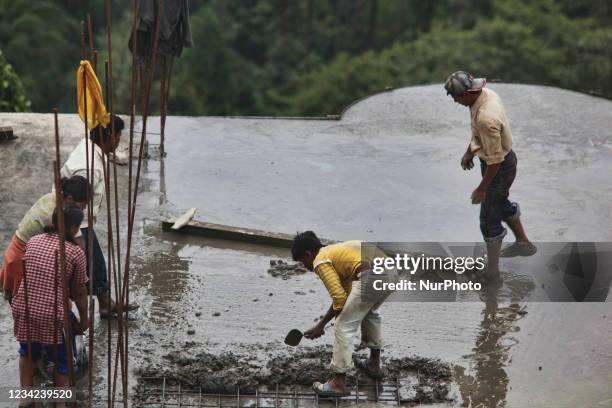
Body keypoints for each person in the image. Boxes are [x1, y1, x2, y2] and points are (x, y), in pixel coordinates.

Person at [444, 71, 536, 282]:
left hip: (499, 168)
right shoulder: (485, 94)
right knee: (499, 202)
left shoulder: (487, 118)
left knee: (488, 219)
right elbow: (479, 133)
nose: (456, 101)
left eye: (457, 97)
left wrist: (482, 188)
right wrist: (470, 151)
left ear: (469, 92)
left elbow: (496, 161)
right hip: (501, 161)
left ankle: (492, 274)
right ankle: (523, 243)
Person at [292, 231, 391, 397]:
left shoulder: (320, 260)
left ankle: (338, 384)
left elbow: (339, 299)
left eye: (304, 262)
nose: (307, 268)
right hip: (390, 273)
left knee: (343, 327)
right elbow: (344, 298)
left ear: (308, 254)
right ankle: (374, 364)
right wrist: (321, 325)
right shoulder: (336, 254)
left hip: (371, 275)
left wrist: (331, 323)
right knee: (370, 314)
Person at [59, 114, 138, 317]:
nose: (120, 140)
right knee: (84, 265)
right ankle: (91, 307)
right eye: (119, 134)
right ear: (111, 135)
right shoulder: (89, 168)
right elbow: (71, 201)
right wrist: (75, 235)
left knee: (96, 262)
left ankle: (104, 301)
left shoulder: (90, 148)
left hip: (80, 218)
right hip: (74, 220)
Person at [11, 206, 88, 408]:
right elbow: (80, 293)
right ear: (73, 228)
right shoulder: (75, 252)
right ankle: (59, 402)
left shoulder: (34, 240)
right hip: (52, 315)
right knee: (63, 359)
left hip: (24, 307)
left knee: (27, 352)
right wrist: (84, 319)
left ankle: (25, 398)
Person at [1, 176, 88, 303]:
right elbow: (76, 243)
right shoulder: (53, 214)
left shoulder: (53, 197)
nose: (84, 209)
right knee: (30, 306)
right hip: (22, 259)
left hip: (16, 251)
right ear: (70, 199)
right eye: (83, 205)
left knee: (26, 308)